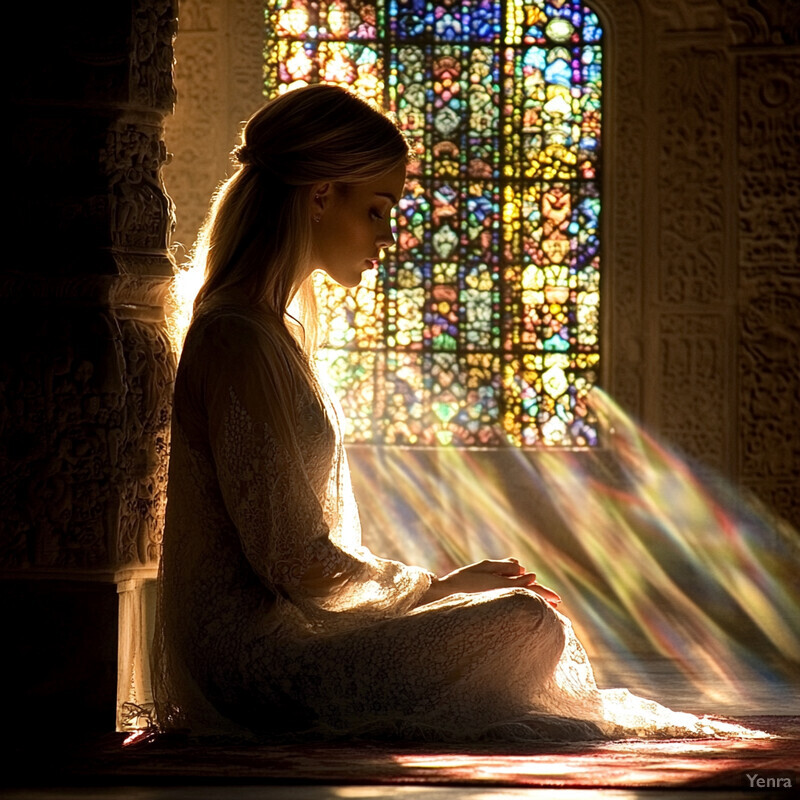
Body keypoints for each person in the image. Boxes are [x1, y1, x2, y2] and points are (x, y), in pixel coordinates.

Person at [152, 84, 758, 741]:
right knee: (523, 622)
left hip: (293, 631)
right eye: (378, 210)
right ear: (322, 195)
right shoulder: (236, 335)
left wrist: (432, 594)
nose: (388, 236)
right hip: (254, 665)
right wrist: (434, 589)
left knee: (524, 621)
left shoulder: (275, 329)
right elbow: (293, 563)